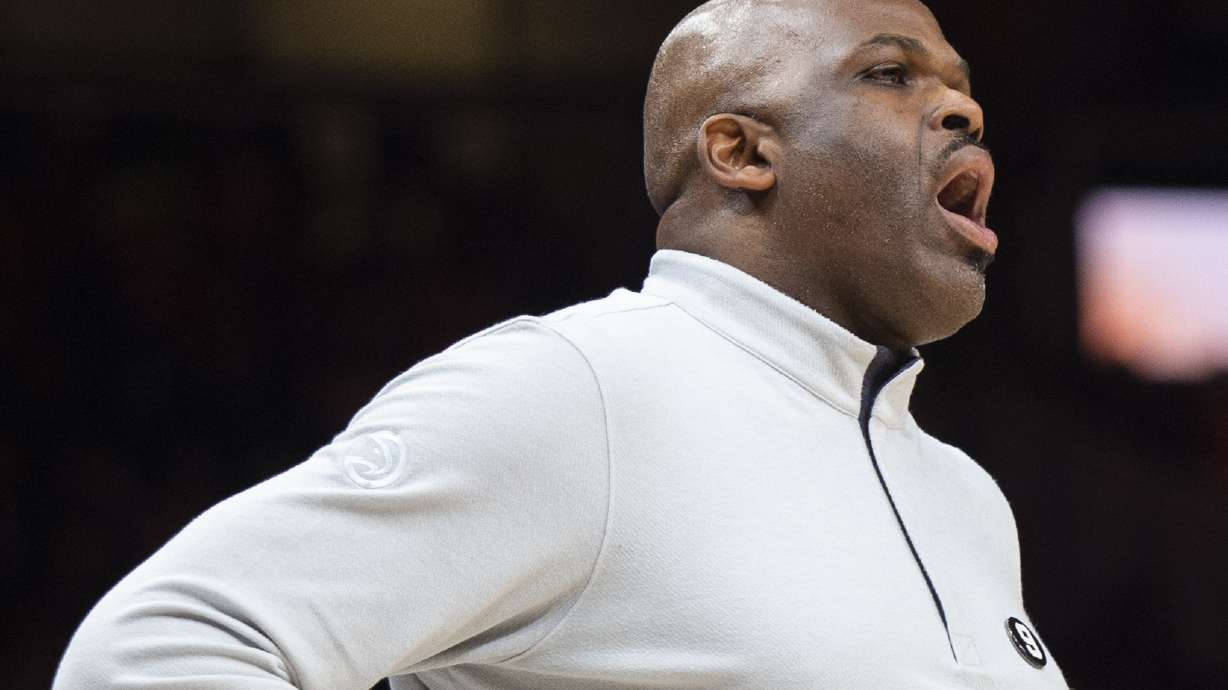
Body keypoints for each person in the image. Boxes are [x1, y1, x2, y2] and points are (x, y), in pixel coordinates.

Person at [54, 0, 1069, 687]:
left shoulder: (965, 498)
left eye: (961, 86)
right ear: (742, 151)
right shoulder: (578, 391)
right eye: (889, 74)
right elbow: (161, 649)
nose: (963, 108)